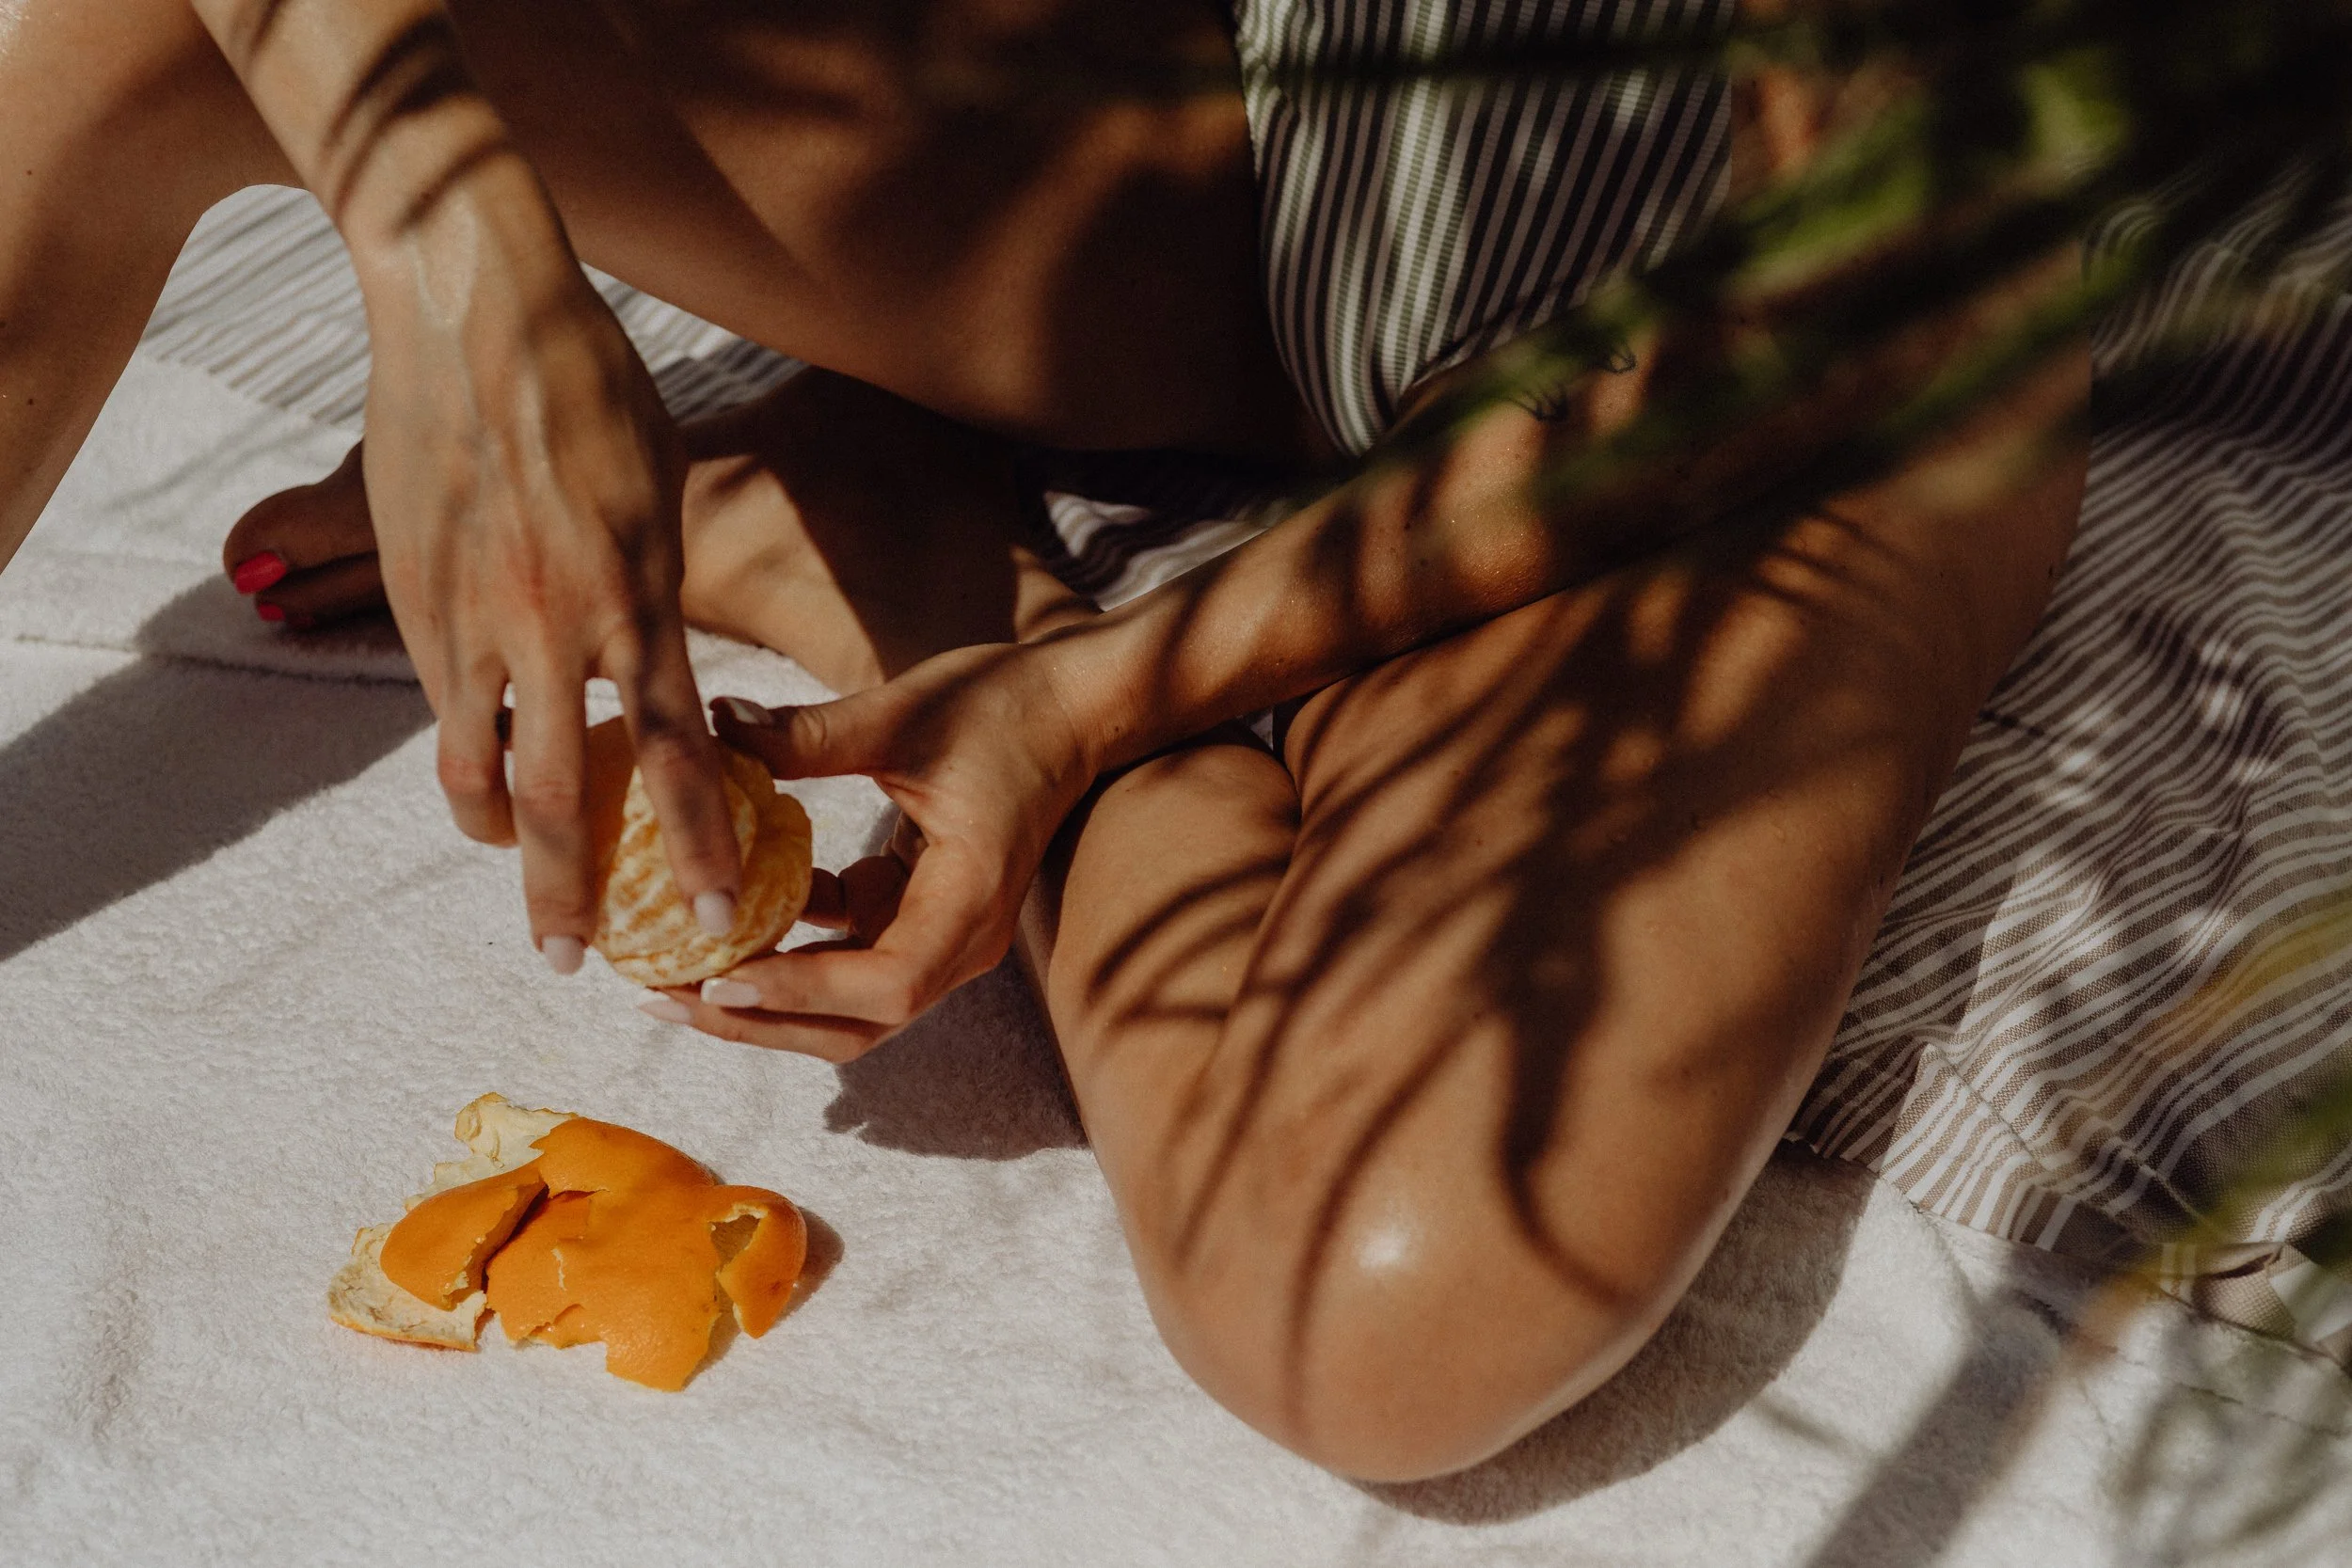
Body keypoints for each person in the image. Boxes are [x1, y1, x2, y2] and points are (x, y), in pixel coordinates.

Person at [0, 0, 2088, 1479]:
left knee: (1381, 1306)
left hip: (1808, 304)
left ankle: (915, 560)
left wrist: (1088, 695)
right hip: (1280, 109)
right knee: (136, 35)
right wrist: (445, 244)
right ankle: (912, 501)